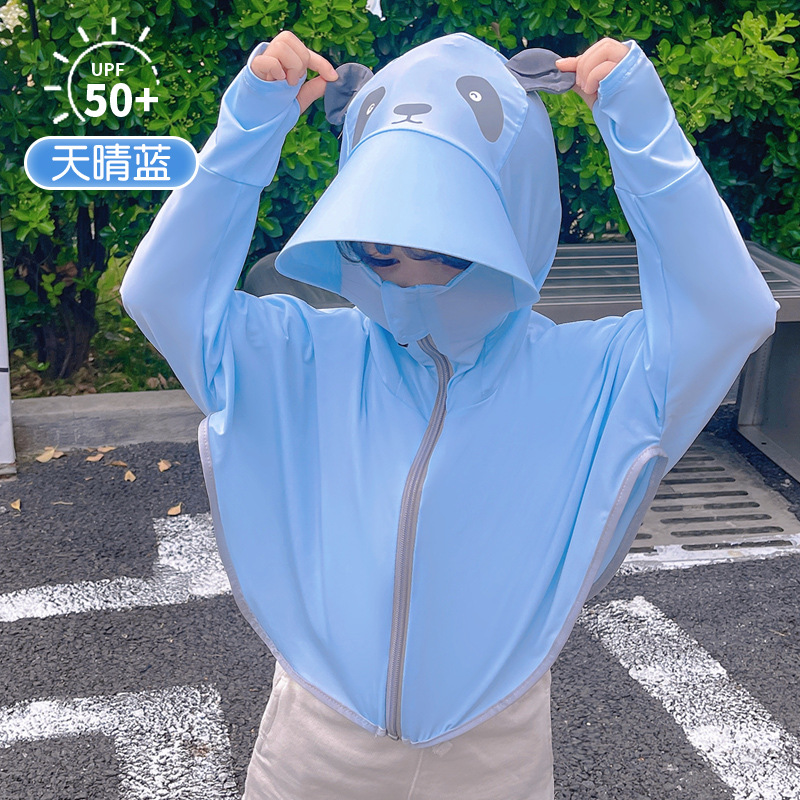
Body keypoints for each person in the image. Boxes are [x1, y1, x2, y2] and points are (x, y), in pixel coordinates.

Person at [119, 29, 779, 800]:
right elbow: (160, 292)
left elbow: (729, 313)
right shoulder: (300, 354)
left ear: (514, 220)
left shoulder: (594, 377)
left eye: (445, 244)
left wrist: (643, 133)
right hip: (314, 740)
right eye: (379, 248)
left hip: (493, 750)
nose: (406, 276)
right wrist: (247, 128)